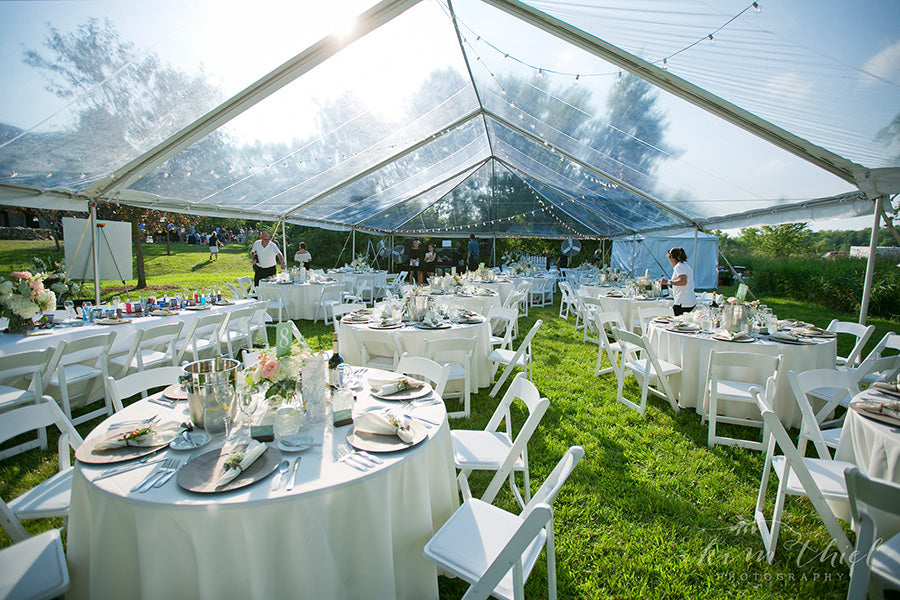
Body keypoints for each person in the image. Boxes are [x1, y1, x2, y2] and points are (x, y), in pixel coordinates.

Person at [661, 247, 696, 316]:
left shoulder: (679, 267)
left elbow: (683, 281)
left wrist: (667, 282)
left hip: (682, 303)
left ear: (672, 258)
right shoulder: (685, 265)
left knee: (674, 322)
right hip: (689, 301)